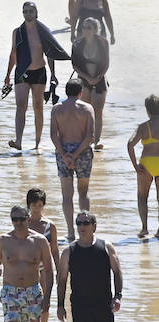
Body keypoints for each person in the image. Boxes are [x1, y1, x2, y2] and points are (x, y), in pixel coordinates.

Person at [5, 1, 69, 151]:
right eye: (25, 11)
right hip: (22, 72)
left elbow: (50, 54)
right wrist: (7, 74)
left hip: (39, 71)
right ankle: (19, 140)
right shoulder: (17, 32)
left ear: (36, 13)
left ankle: (37, 143)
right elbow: (13, 53)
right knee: (21, 105)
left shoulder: (43, 32)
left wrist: (53, 74)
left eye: (31, 11)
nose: (28, 14)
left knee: (38, 107)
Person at [0, 205, 54, 322]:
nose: (18, 222)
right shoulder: (2, 241)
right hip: (10, 292)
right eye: (14, 219)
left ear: (28, 219)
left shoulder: (40, 241)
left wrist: (47, 297)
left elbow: (49, 270)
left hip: (33, 291)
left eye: (21, 219)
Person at [57, 211, 123, 322]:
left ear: (94, 226)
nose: (82, 226)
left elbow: (117, 272)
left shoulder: (106, 247)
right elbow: (62, 280)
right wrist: (60, 306)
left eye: (86, 223)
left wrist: (117, 296)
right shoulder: (68, 251)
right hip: (80, 306)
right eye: (79, 223)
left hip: (104, 305)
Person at [51, 79, 96, 241]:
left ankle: (71, 232)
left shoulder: (57, 109)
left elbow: (53, 135)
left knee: (66, 195)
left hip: (63, 151)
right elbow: (90, 136)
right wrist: (76, 154)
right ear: (80, 92)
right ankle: (86, 231)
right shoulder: (86, 108)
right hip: (82, 152)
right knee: (83, 192)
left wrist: (64, 155)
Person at [72, 15, 110, 147]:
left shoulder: (103, 43)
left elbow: (106, 63)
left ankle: (97, 140)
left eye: (89, 28)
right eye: (84, 27)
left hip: (99, 79)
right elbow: (75, 65)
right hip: (83, 80)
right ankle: (86, 139)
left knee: (98, 110)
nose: (85, 30)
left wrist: (98, 77)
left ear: (95, 29)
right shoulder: (77, 44)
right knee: (85, 111)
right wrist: (87, 78)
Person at [124, 94, 159, 237]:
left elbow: (130, 144)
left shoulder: (143, 127)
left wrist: (135, 166)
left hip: (146, 163)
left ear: (147, 110)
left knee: (142, 196)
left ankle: (144, 228)